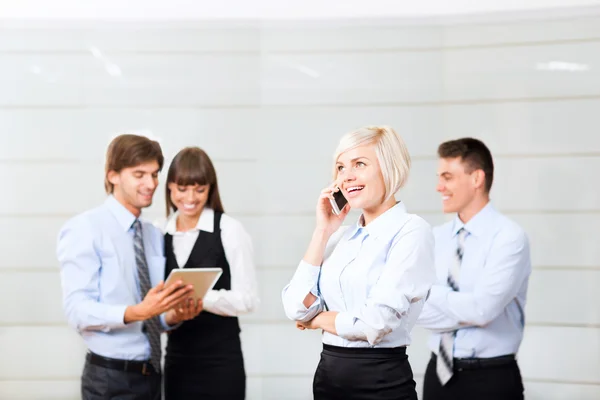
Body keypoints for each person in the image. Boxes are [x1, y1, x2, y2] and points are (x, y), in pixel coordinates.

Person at [281, 126, 436, 400]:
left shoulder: (411, 230)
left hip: (380, 382)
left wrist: (315, 319)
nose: (346, 177)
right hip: (328, 379)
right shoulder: (340, 236)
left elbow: (375, 324)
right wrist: (322, 231)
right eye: (340, 167)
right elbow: (295, 306)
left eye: (359, 164)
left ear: (389, 168)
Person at [57, 134, 202, 400]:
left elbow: (151, 314)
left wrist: (172, 317)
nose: (151, 184)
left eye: (155, 174)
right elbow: (77, 311)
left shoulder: (153, 234)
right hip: (110, 379)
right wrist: (136, 311)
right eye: (139, 175)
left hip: (152, 376)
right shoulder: (85, 229)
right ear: (112, 175)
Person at [417, 138, 531, 400]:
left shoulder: (509, 237)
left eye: (447, 177)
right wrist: (458, 305)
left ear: (476, 178)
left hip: (490, 379)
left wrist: (430, 294)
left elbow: (483, 310)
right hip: (437, 375)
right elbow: (414, 311)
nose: (439, 187)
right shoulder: (436, 237)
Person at [159, 146, 259, 400]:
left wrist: (201, 299)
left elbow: (248, 299)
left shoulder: (229, 229)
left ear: (210, 188)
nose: (190, 198)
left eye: (199, 189)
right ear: (169, 187)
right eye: (182, 189)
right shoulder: (159, 233)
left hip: (220, 362)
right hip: (177, 360)